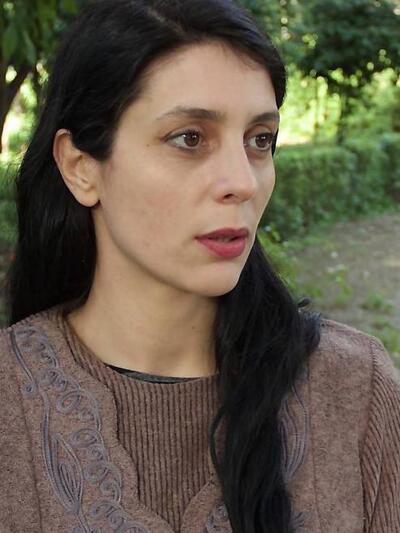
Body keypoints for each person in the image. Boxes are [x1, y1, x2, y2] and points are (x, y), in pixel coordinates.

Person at [0, 0, 399, 531]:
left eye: (260, 140)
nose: (243, 181)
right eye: (189, 138)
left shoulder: (355, 390)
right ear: (81, 167)